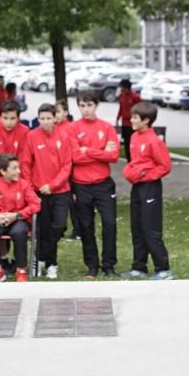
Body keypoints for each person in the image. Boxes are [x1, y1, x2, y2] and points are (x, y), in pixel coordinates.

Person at [71, 90, 120, 279]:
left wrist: (88, 150)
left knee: (109, 224)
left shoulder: (106, 128)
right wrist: (100, 152)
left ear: (96, 105)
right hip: (81, 185)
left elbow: (113, 156)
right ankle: (92, 265)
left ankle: (109, 265)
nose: (85, 109)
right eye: (82, 106)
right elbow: (74, 157)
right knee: (86, 226)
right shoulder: (73, 128)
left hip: (103, 184)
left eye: (89, 105)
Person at [121, 101, 173, 280]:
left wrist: (145, 174)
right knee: (137, 226)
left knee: (150, 228)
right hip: (137, 186)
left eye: (135, 118)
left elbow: (165, 166)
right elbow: (136, 162)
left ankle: (163, 268)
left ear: (146, 120)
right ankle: (139, 266)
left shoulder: (154, 140)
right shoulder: (135, 137)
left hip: (150, 187)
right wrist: (131, 171)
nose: (132, 120)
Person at [21, 103, 72, 280]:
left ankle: (41, 257)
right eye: (42, 118)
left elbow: (67, 165)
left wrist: (53, 185)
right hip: (38, 192)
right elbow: (26, 164)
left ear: (55, 118)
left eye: (48, 118)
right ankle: (51, 264)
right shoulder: (32, 136)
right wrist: (30, 189)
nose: (45, 121)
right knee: (43, 229)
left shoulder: (64, 136)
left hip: (60, 191)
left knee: (59, 226)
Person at [0, 154, 41, 283]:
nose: (19, 171)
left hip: (18, 219)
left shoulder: (24, 185)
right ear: (3, 171)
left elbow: (36, 204)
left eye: (18, 167)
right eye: (14, 168)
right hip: (0, 219)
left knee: (19, 232)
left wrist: (17, 215)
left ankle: (21, 270)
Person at [55, 99, 81, 240]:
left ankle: (78, 230)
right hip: (57, 171)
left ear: (66, 112)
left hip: (70, 171)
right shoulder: (54, 128)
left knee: (73, 201)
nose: (56, 115)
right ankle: (61, 227)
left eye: (59, 112)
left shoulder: (70, 128)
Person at [117, 78, 141, 162]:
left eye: (122, 87)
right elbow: (121, 107)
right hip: (125, 123)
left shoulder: (135, 97)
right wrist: (118, 117)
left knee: (134, 142)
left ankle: (135, 159)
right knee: (126, 142)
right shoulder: (121, 96)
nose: (121, 89)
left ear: (126, 87)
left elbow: (140, 109)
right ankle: (129, 160)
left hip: (133, 124)